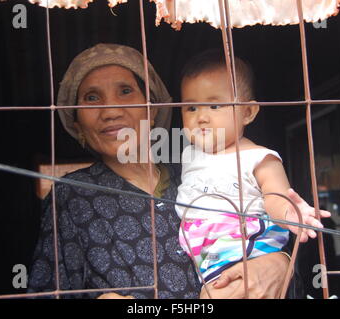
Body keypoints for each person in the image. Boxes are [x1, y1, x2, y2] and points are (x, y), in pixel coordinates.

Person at [27, 43, 292, 299]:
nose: (110, 111)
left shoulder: (196, 174)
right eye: (92, 98)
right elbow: (44, 291)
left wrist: (279, 264)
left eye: (125, 91)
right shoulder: (72, 197)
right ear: (77, 121)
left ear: (152, 108)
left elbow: (272, 243)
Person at [175, 50, 331, 298]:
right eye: (191, 107)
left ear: (247, 112)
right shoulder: (188, 154)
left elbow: (276, 197)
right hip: (207, 253)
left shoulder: (259, 158)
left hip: (245, 244)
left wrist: (290, 213)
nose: (201, 117)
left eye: (214, 105)